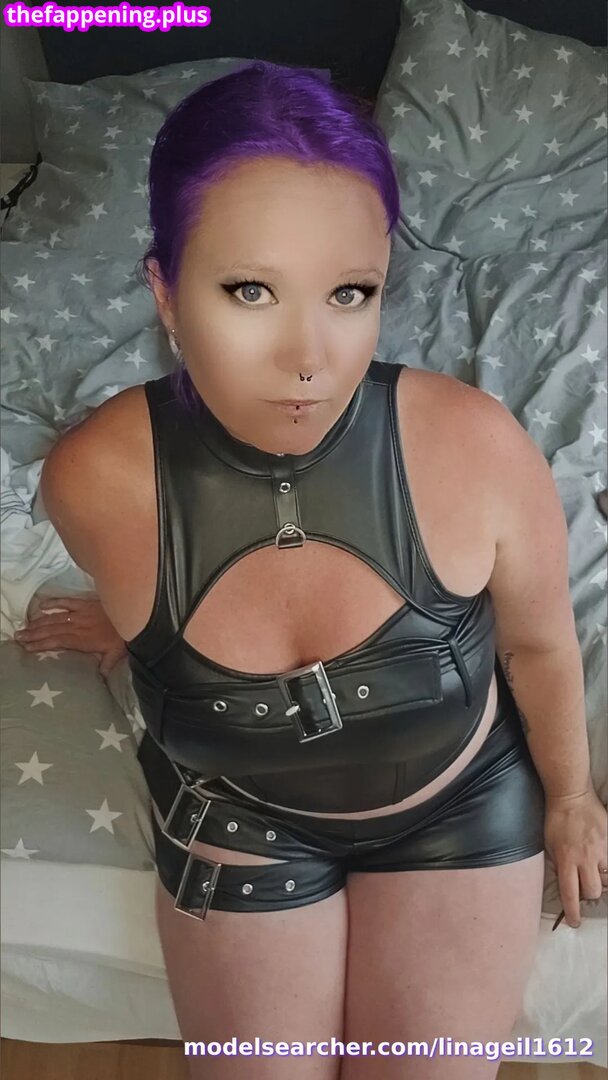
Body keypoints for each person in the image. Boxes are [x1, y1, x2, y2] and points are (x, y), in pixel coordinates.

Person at [31, 61, 607, 1080]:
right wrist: (138, 628)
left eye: (350, 293)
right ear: (165, 290)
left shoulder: (476, 450)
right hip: (236, 812)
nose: (308, 356)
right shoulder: (93, 481)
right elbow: (162, 585)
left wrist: (569, 796)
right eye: (249, 290)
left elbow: (535, 642)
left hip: (457, 808)